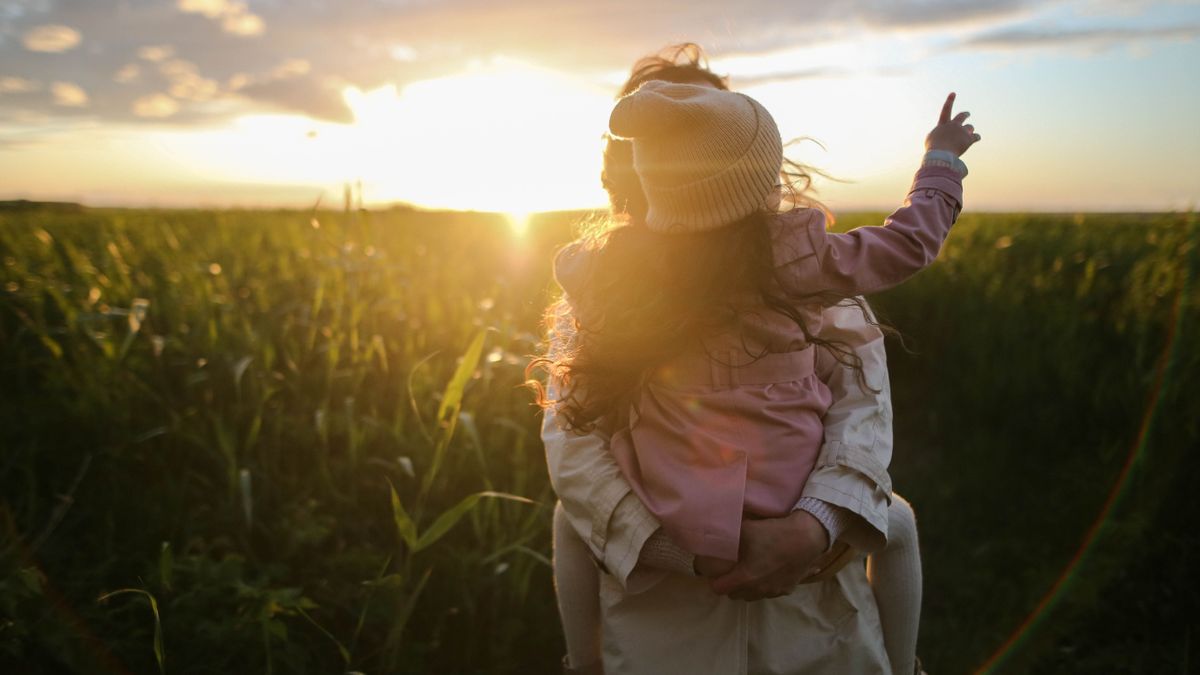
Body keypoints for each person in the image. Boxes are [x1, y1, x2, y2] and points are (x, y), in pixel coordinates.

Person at [536, 46, 977, 674]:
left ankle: (580, 665)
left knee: (567, 524)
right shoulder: (803, 265)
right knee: (897, 520)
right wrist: (941, 164)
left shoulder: (609, 278)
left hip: (807, 607)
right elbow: (574, 443)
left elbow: (861, 407)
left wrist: (810, 529)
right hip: (669, 606)